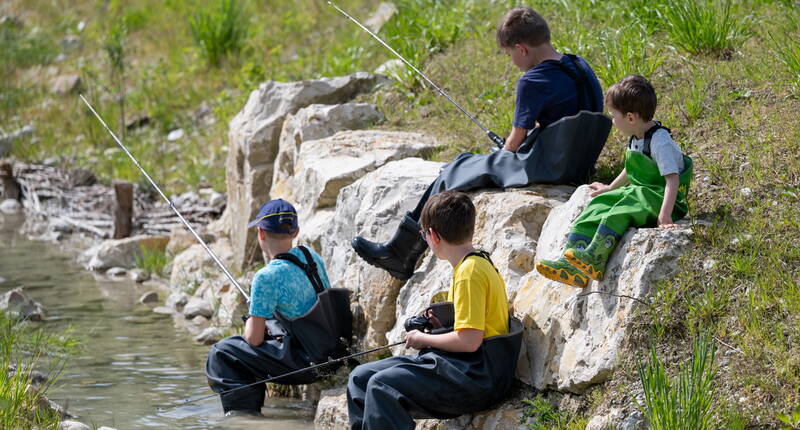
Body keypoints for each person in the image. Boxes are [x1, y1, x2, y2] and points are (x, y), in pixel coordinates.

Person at [352, 6, 608, 281]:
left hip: (553, 165)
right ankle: (403, 247)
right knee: (466, 163)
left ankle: (402, 252)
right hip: (579, 160)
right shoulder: (578, 65)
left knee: (456, 168)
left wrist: (502, 152)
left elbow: (513, 143)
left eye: (509, 54)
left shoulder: (532, 80)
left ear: (521, 48)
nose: (512, 61)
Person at [347, 191, 523, 430]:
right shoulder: (473, 263)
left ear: (432, 236)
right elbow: (469, 329)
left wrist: (424, 338)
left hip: (478, 377)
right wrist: (441, 330)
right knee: (360, 378)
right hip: (467, 367)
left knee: (382, 386)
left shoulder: (469, 274)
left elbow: (470, 341)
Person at [536, 75, 693, 287]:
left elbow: (672, 179)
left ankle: (596, 258)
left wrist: (665, 215)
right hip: (642, 193)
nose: (612, 120)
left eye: (613, 115)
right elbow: (631, 168)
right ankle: (571, 263)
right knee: (598, 204)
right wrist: (610, 188)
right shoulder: (637, 136)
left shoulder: (660, 142)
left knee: (619, 210)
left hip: (662, 198)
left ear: (630, 117)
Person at [206, 199, 350, 416]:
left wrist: (250, 323)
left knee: (222, 353)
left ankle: (245, 417)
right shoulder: (311, 256)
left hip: (310, 364)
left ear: (261, 234)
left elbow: (253, 339)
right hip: (333, 351)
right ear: (296, 232)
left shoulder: (265, 277)